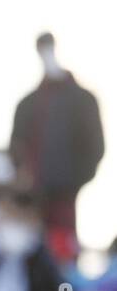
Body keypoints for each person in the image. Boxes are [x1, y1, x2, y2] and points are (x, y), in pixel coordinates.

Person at [10, 32, 104, 263]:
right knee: (32, 259)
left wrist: (72, 182)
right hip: (32, 203)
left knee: (63, 260)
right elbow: (15, 147)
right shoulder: (29, 104)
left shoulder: (83, 101)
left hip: (65, 198)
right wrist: (26, 178)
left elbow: (95, 147)